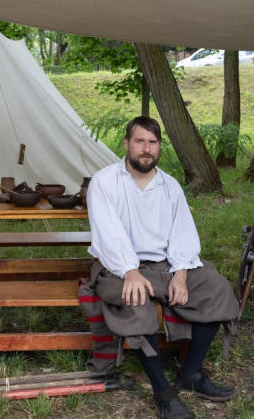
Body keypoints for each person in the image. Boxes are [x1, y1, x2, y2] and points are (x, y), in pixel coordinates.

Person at [86, 116, 239, 419]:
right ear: (127, 143)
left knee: (217, 289)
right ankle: (162, 392)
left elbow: (182, 232)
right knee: (136, 302)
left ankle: (191, 374)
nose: (146, 148)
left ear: (159, 146)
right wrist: (130, 271)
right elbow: (108, 233)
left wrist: (181, 273)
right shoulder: (105, 182)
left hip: (167, 265)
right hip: (118, 265)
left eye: (152, 142)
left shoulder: (170, 186)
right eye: (139, 141)